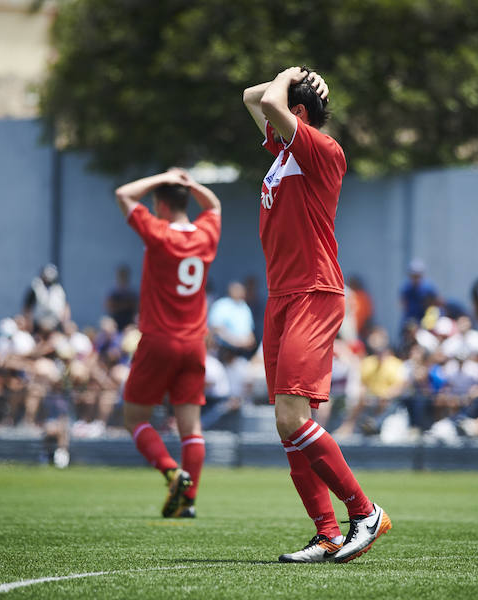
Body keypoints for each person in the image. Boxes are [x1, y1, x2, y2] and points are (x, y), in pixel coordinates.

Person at [243, 66, 391, 564]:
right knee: (288, 425)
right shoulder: (284, 152)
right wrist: (287, 80)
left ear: (298, 114)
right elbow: (252, 97)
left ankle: (365, 512)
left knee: (291, 416)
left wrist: (288, 74)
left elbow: (268, 104)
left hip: (313, 290)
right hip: (282, 295)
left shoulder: (322, 150)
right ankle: (327, 533)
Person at [115, 168, 221, 519]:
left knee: (134, 418)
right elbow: (215, 205)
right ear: (186, 199)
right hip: (194, 343)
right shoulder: (206, 233)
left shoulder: (159, 233)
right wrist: (190, 183)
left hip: (159, 339)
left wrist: (161, 176)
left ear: (160, 203)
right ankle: (188, 501)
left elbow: (124, 193)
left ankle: (171, 472)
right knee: (191, 427)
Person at [104, 264, 139, 332]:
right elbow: (109, 307)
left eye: (124, 276)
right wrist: (125, 305)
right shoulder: (113, 293)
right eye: (121, 276)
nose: (122, 278)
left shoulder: (132, 294)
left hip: (129, 325)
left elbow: (136, 308)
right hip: (115, 325)